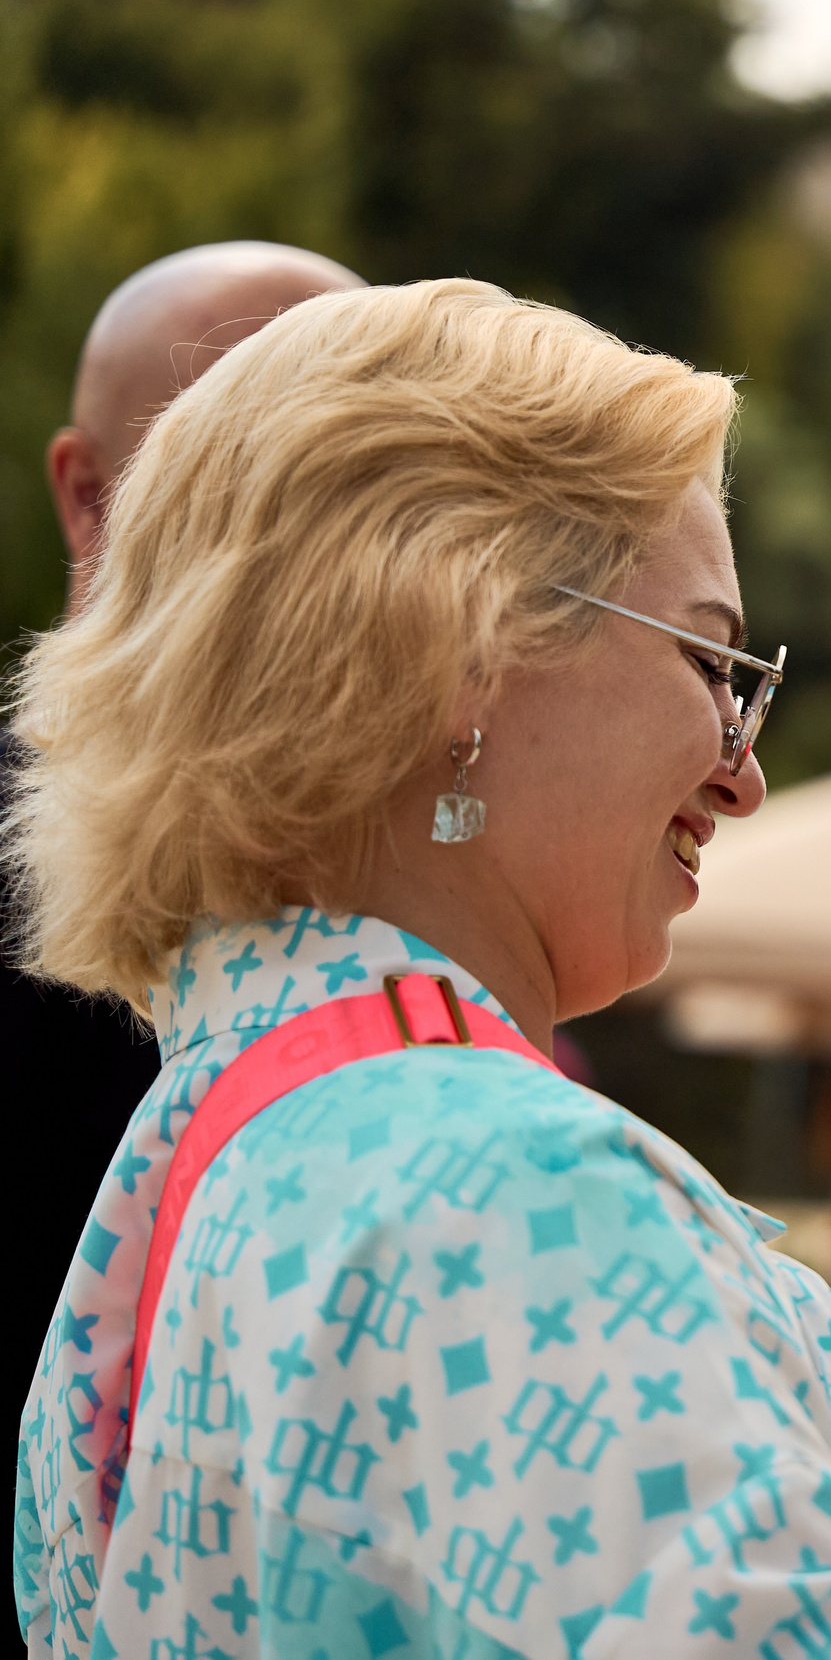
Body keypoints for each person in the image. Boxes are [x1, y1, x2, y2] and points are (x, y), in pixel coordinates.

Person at [6, 279, 831, 1658]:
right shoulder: (509, 1189)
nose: (747, 773)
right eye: (716, 660)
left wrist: (815, 1537)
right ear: (469, 647)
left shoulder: (192, 1155)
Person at [0, 244, 363, 1660]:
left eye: (342, 473)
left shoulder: (394, 866)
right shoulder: (348, 900)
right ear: (84, 495)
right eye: (224, 463)